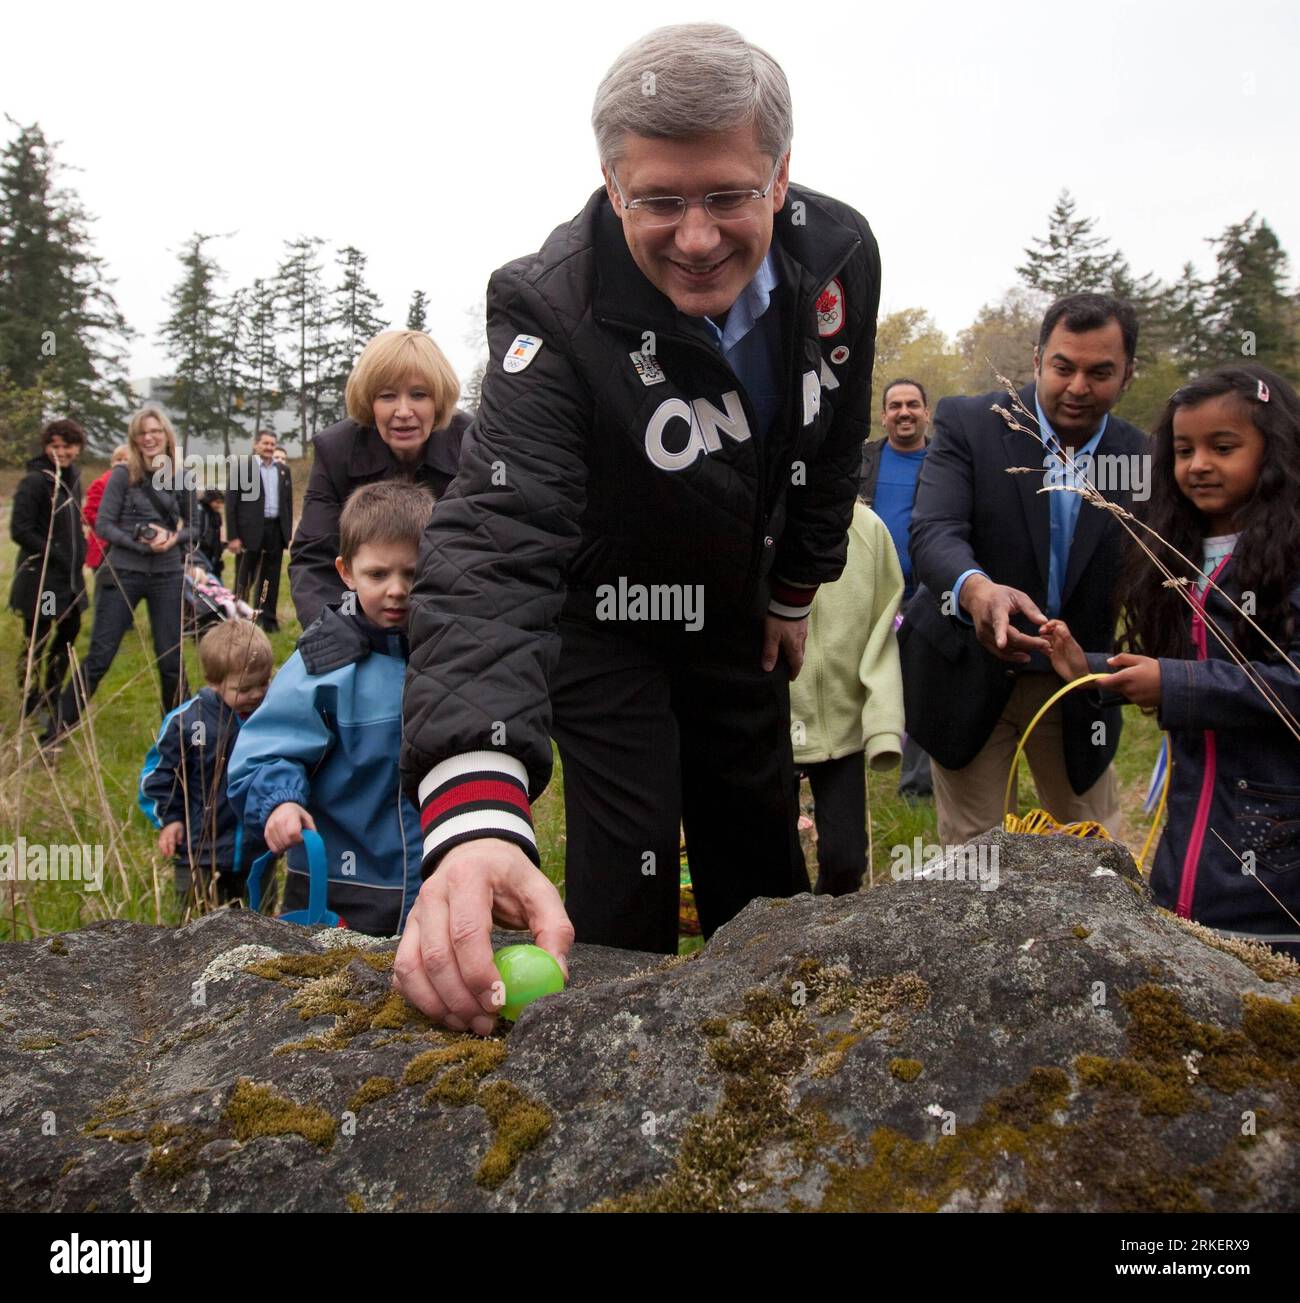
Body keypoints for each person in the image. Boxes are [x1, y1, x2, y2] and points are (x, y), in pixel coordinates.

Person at [398, 23, 881, 1035]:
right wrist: (476, 812)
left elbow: (834, 439)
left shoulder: (838, 260)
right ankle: (602, 1095)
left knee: (759, 854)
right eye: (659, 201)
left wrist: (796, 585)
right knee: (626, 868)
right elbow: (494, 531)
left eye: (727, 196)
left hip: (738, 614)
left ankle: (783, 1068)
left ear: (780, 176)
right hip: (603, 620)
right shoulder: (550, 302)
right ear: (612, 188)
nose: (696, 237)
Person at [1043, 364, 1300, 957]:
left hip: (1274, 866)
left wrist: (1175, 682)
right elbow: (1187, 666)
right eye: (1183, 450)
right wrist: (1093, 669)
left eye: (1223, 447)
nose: (1199, 465)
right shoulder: (1178, 553)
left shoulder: (1289, 555)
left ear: (1276, 449)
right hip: (1188, 849)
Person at [899, 292, 1148, 847]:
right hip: (967, 669)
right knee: (975, 860)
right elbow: (934, 529)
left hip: (1076, 680)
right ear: (1037, 360)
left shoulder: (1143, 458)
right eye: (1063, 367)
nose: (1078, 387)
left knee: (1100, 852)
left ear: (1128, 374)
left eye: (1100, 372)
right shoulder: (969, 423)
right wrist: (977, 590)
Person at [228, 481, 431, 936]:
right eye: (378, 575)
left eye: (412, 574)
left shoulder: (448, 655)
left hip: (436, 881)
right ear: (346, 571)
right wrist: (279, 802)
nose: (397, 590)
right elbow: (265, 753)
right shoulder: (322, 666)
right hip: (339, 884)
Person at [288, 331, 470, 629]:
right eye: (387, 396)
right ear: (369, 402)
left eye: (419, 395)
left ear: (438, 400)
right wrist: (338, 631)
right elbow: (314, 557)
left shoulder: (472, 447)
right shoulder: (336, 451)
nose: (403, 412)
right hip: (364, 618)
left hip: (450, 615)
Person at [51, 407, 198, 743]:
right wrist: (139, 540)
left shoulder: (182, 475)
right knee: (100, 656)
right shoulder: (122, 475)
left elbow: (195, 527)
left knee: (171, 660)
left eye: (155, 431)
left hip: (167, 574)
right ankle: (54, 734)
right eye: (142, 432)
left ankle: (182, 740)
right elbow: (102, 524)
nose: (149, 438)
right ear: (134, 438)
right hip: (123, 573)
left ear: (166, 434)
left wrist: (174, 539)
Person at [789, 500, 904, 895]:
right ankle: (775, 948)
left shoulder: (869, 529)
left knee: (847, 861)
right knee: (774, 867)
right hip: (772, 722)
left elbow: (882, 630)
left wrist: (884, 729)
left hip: (844, 728)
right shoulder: (757, 518)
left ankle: (827, 943)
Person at [138, 619, 273, 909]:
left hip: (258, 852)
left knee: (260, 924)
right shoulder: (186, 723)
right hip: (199, 853)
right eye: (245, 688)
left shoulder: (273, 715)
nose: (257, 694)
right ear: (213, 681)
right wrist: (170, 820)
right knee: (195, 924)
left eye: (264, 683)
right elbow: (159, 776)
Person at [860, 378, 934, 798]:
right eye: (895, 405)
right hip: (867, 598)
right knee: (858, 682)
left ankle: (917, 788)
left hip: (924, 598)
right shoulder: (863, 461)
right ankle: (848, 773)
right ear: (884, 414)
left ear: (926, 412)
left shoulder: (945, 462)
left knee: (919, 687)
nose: (904, 412)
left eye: (912, 404)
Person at [8, 419, 88, 726]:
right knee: (39, 635)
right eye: (54, 446)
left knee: (70, 630)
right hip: (45, 583)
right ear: (45, 447)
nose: (61, 452)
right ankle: (31, 697)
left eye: (67, 446)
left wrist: (79, 546)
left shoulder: (70, 479)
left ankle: (52, 690)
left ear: (77, 448)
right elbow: (20, 529)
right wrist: (54, 553)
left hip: (68, 580)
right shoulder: (35, 482)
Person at [228, 430, 293, 633]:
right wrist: (233, 536)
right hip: (250, 531)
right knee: (244, 578)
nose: (269, 447)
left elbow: (287, 504)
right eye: (265, 443)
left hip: (275, 530)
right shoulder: (242, 468)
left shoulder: (282, 470)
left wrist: (287, 533)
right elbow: (231, 504)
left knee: (270, 578)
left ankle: (268, 620)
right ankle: (239, 620)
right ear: (256, 445)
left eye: (272, 444)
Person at [84, 444, 130, 572]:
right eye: (118, 460)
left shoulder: (136, 485)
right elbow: (88, 513)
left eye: (127, 460)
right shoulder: (101, 483)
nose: (122, 463)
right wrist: (108, 525)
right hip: (103, 543)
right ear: (112, 463)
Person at [196, 489, 227, 581]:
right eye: (217, 502)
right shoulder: (200, 513)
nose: (219, 505)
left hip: (214, 554)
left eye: (221, 503)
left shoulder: (216, 515)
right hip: (202, 554)